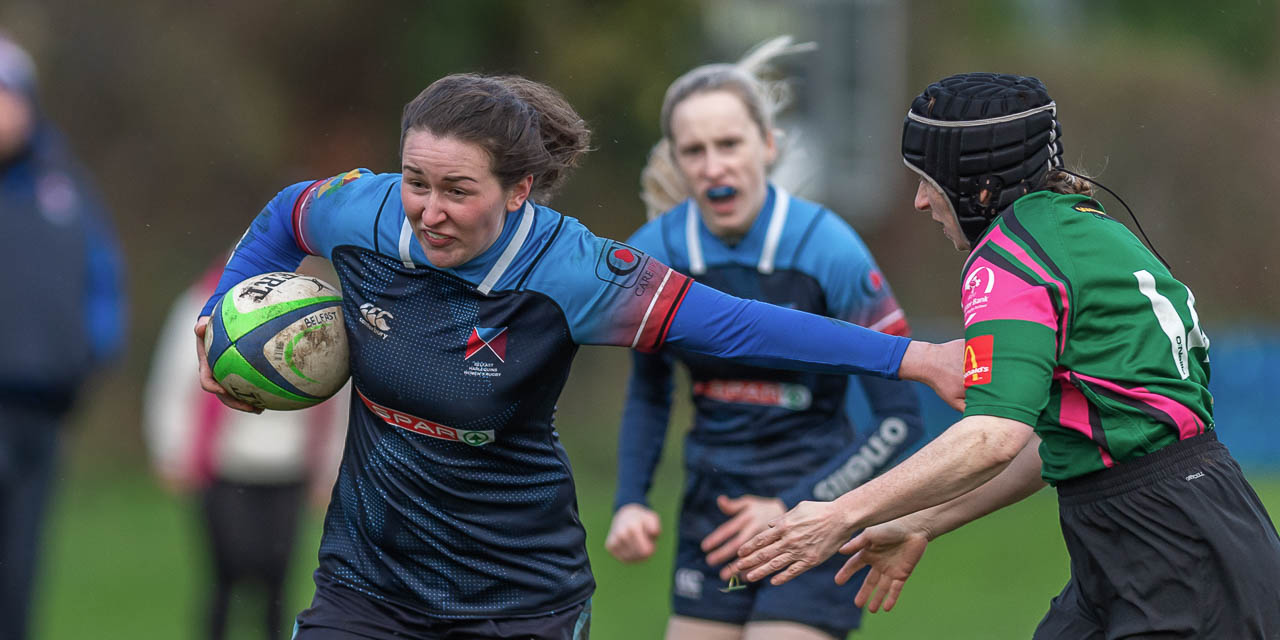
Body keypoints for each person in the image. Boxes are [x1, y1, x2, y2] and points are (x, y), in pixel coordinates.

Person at [192, 72, 964, 640]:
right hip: (366, 585)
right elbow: (282, 215)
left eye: (458, 190)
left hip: (516, 598)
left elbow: (736, 325)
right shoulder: (360, 214)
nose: (428, 209)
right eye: (416, 181)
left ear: (520, 188)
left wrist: (914, 359)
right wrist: (216, 318)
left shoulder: (579, 274)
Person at [732, 73, 1280, 638]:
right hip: (1173, 531)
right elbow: (1054, 441)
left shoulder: (1011, 258)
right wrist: (921, 521)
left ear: (981, 188)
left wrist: (840, 512)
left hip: (1177, 559)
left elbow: (992, 436)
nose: (920, 201)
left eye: (928, 182)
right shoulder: (1084, 227)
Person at [604, 37, 923, 640]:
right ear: (676, 161)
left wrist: (801, 504)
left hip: (818, 510)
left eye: (728, 144)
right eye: (693, 150)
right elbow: (649, 393)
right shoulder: (654, 256)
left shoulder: (828, 249)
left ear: (768, 146)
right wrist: (630, 500)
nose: (713, 165)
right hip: (712, 514)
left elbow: (900, 420)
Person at [0, 33, 127, 640]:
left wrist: (92, 351)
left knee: (21, 560)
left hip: (45, 405)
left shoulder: (65, 187)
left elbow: (103, 279)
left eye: (7, 96)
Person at [146, 256, 347, 640]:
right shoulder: (213, 300)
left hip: (290, 468)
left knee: (278, 577)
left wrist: (329, 468)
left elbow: (341, 396)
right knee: (227, 571)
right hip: (226, 464)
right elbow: (174, 376)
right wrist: (171, 449)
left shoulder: (327, 310)